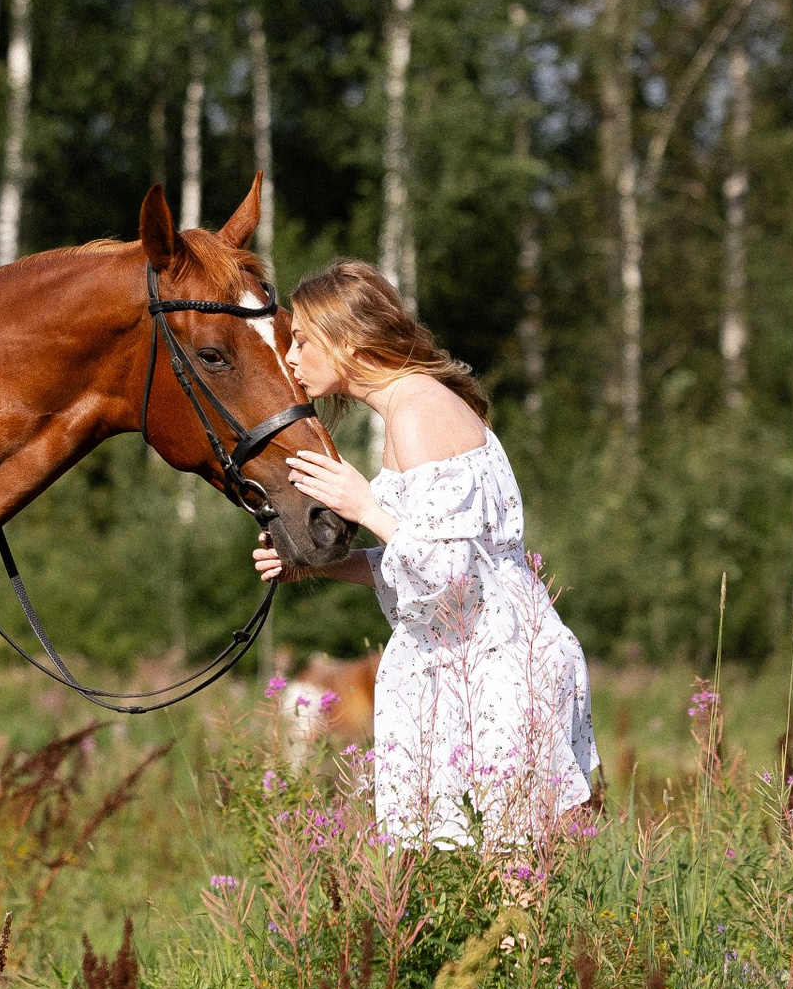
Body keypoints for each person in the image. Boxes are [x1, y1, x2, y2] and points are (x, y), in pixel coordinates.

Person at [251, 260, 596, 849]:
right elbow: (421, 567)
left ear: (347, 341)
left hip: (493, 670)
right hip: (474, 661)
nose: (290, 358)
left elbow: (444, 569)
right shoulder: (406, 410)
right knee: (472, 880)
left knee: (510, 877)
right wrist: (314, 564)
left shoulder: (416, 413)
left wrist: (364, 505)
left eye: (302, 340)